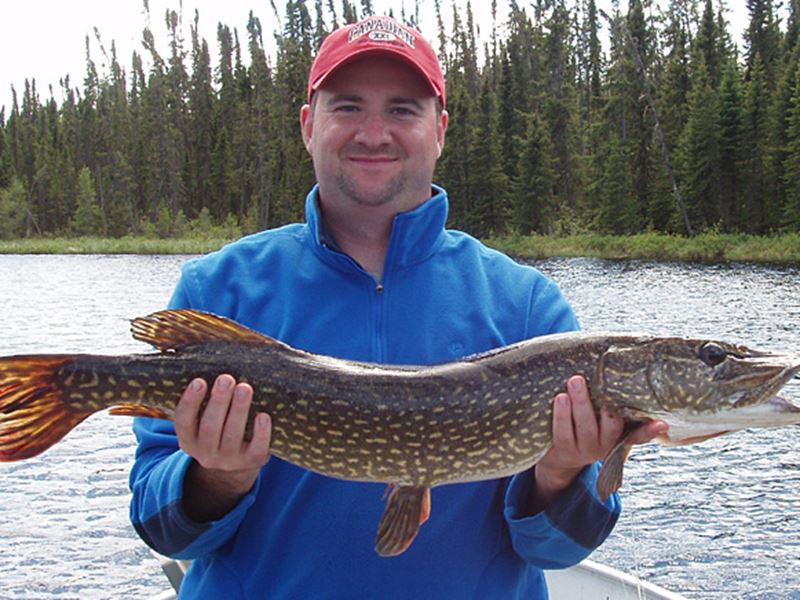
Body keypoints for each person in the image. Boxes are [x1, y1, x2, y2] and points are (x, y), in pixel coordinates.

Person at [129, 15, 665, 599]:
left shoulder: (528, 307)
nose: (374, 133)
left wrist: (560, 473)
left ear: (440, 130)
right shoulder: (219, 289)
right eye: (348, 107)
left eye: (403, 110)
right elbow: (162, 529)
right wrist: (216, 477)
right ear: (308, 126)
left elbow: (556, 552)